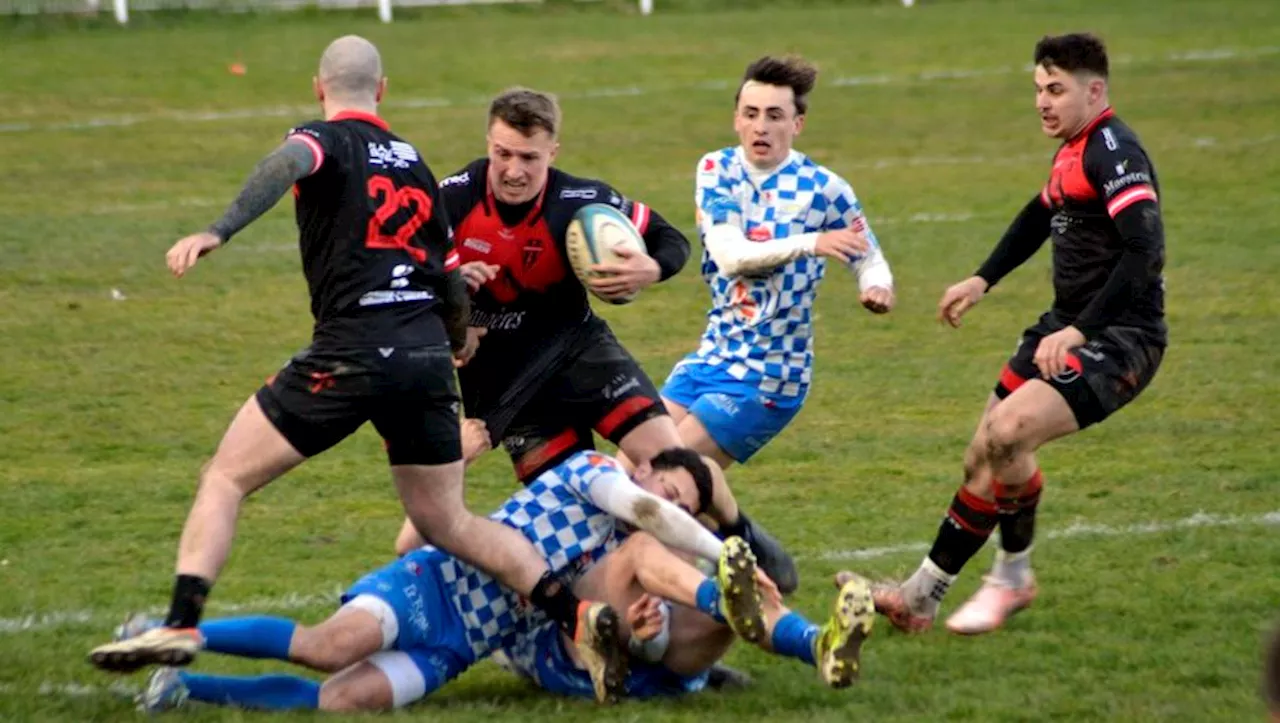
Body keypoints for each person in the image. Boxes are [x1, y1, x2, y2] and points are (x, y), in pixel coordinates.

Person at [86, 37, 625, 699]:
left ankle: (179, 621)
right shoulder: (418, 165)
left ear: (320, 88)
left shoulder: (323, 139)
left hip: (350, 350)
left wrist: (218, 230)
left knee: (225, 476)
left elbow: (290, 161)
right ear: (384, 90)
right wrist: (457, 342)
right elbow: (450, 280)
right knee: (448, 522)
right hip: (425, 357)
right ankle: (576, 614)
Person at [437, 86, 798, 592]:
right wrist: (451, 307)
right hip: (508, 394)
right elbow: (399, 282)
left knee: (677, 468)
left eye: (529, 158)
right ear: (487, 144)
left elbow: (671, 240)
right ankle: (665, 629)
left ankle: (737, 535)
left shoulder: (579, 201)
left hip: (581, 355)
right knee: (587, 519)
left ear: (552, 153)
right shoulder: (450, 201)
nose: (514, 170)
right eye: (502, 155)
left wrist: (651, 268)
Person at [871, 33, 1167, 634]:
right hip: (1066, 326)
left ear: (1095, 90)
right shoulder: (1072, 148)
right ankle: (921, 598)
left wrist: (1083, 331)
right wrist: (983, 279)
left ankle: (1006, 578)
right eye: (1038, 89)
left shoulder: (1114, 151)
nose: (1042, 102)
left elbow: (1146, 250)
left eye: (1056, 90)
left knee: (1008, 434)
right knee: (984, 450)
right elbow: (1039, 213)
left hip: (1121, 337)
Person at [123, 442, 770, 712]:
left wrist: (645, 631)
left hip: (466, 641)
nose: (674, 508)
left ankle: (182, 687)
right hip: (436, 583)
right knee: (330, 646)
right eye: (674, 491)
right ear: (650, 469)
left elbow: (597, 622)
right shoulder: (595, 469)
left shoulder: (624, 554)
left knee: (341, 701)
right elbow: (644, 508)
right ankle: (170, 631)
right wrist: (726, 556)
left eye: (687, 506)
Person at [660, 55, 895, 475]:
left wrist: (875, 286)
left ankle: (725, 538)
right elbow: (731, 256)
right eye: (750, 114)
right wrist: (813, 242)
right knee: (627, 470)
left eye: (774, 116)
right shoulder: (717, 169)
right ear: (736, 119)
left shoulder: (824, 188)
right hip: (713, 356)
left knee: (664, 477)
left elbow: (870, 256)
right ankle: (731, 540)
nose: (761, 126)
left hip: (770, 376)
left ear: (797, 124)